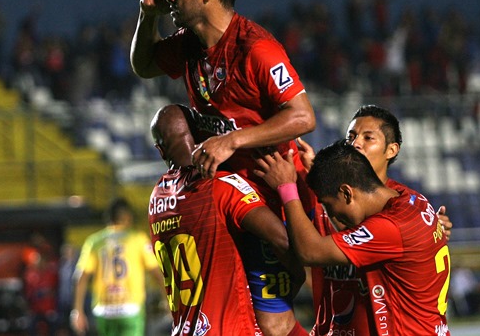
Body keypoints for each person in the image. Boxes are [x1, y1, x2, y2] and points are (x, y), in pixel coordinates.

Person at [130, 0, 315, 335]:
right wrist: (148, 17)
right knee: (248, 320)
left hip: (268, 195)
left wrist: (232, 142)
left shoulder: (256, 48)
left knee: (272, 322)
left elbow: (303, 116)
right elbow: (144, 65)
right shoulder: (189, 44)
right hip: (231, 197)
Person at [254, 141, 452, 335]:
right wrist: (321, 173)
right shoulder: (410, 198)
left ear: (347, 192)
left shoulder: (390, 227)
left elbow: (310, 252)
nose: (331, 214)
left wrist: (286, 188)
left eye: (329, 205)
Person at [148, 103, 306, 336]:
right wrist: (298, 275)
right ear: (205, 135)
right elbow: (282, 239)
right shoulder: (219, 185)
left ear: (161, 151)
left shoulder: (155, 199)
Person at [295, 104, 453, 335]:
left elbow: (346, 234)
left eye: (368, 137)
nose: (356, 143)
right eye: (351, 136)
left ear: (391, 150)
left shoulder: (399, 213)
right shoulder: (407, 201)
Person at [71, 197, 161, 336]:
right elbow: (156, 272)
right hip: (130, 308)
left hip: (104, 309)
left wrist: (77, 310)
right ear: (127, 216)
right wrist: (168, 299)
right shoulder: (137, 239)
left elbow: (81, 276)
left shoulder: (94, 242)